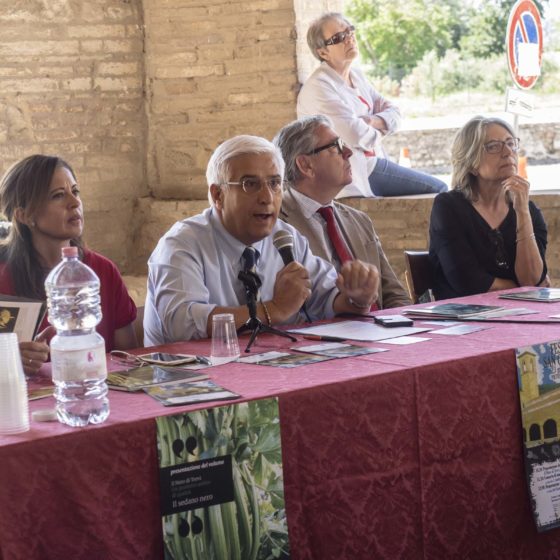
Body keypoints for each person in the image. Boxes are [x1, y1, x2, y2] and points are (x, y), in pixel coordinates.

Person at [143, 134, 380, 345]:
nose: (267, 197)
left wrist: (357, 298)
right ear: (218, 195)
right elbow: (181, 326)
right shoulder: (182, 244)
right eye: (250, 185)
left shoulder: (285, 237)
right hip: (189, 383)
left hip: (269, 373)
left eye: (275, 183)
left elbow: (328, 299)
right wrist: (273, 309)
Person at [0, 155, 138, 375]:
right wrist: (10, 359)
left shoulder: (102, 271)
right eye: (58, 196)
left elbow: (129, 359)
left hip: (96, 398)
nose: (74, 203)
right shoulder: (4, 278)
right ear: (24, 215)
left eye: (75, 191)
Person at [297, 12, 447, 199]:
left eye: (349, 31)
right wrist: (382, 129)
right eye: (338, 37)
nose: (349, 39)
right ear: (322, 52)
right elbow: (353, 134)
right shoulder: (319, 87)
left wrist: (370, 121)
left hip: (373, 161)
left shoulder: (357, 76)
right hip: (357, 170)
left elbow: (395, 112)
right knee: (441, 189)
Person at [274, 115, 411, 309]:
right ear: (305, 165)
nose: (348, 152)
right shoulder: (275, 224)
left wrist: (403, 328)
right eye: (336, 146)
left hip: (378, 331)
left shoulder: (359, 220)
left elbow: (393, 295)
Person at [429, 116, 548, 300]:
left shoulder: (529, 210)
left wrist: (522, 211)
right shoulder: (448, 207)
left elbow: (531, 278)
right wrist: (523, 289)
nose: (508, 151)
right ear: (471, 162)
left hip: (520, 316)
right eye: (493, 146)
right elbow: (467, 282)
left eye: (510, 143)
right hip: (462, 321)